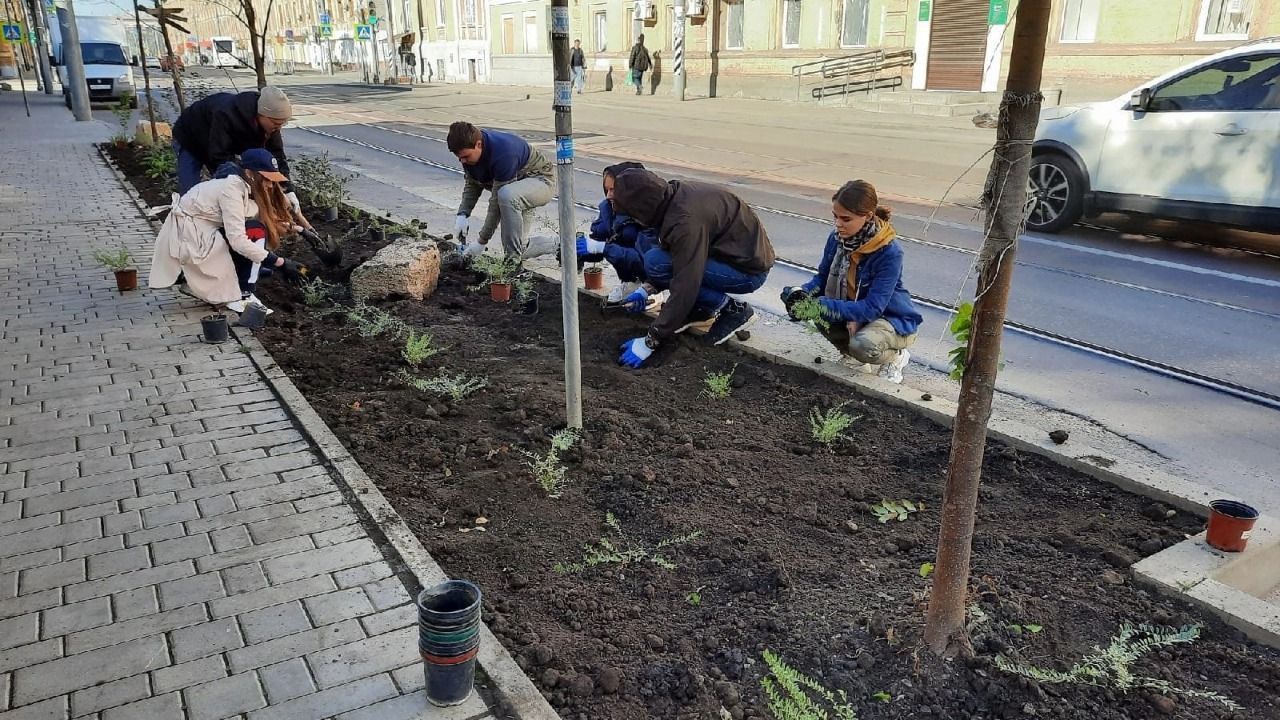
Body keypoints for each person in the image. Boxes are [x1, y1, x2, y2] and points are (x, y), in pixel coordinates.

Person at [610, 169, 775, 368]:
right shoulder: (670, 198)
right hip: (727, 255)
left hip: (747, 271)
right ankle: (701, 310)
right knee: (657, 261)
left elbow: (686, 282)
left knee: (659, 263)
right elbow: (678, 255)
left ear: (642, 207)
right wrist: (646, 289)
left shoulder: (685, 221)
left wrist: (651, 340)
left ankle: (734, 310)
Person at [781, 180, 923, 384]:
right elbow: (822, 279)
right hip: (855, 310)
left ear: (868, 216)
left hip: (890, 319)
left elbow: (873, 308)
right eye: (835, 216)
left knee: (862, 345)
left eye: (846, 218)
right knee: (814, 308)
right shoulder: (836, 239)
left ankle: (896, 357)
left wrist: (821, 305)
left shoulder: (889, 251)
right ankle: (853, 357)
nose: (838, 224)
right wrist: (800, 293)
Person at [149, 149, 309, 313]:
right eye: (266, 179)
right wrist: (280, 263)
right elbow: (238, 241)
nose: (270, 185)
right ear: (250, 173)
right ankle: (242, 295)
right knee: (255, 232)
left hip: (200, 231)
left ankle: (195, 279)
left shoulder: (239, 184)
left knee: (255, 237)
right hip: (191, 239)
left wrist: (298, 229)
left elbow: (249, 213)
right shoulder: (231, 190)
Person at [170, 86, 312, 235]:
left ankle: (226, 225)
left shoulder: (271, 126)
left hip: (218, 143)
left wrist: (288, 190)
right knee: (191, 193)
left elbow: (276, 158)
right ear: (262, 115)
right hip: (191, 139)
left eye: (282, 124)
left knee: (239, 186)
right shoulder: (226, 114)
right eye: (276, 124)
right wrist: (243, 184)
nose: (279, 128)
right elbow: (219, 157)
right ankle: (187, 231)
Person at [448, 121, 557, 261]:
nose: (462, 161)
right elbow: (473, 183)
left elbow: (496, 204)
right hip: (516, 188)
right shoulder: (469, 152)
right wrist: (463, 214)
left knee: (506, 196)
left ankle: (512, 263)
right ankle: (565, 245)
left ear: (478, 144)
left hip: (540, 180)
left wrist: (481, 241)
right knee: (520, 248)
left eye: (466, 156)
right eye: (459, 158)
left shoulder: (503, 154)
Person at [576, 161, 658, 305]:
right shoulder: (608, 209)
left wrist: (604, 248)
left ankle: (651, 290)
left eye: (613, 190)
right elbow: (599, 240)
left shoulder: (650, 214)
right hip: (631, 269)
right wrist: (581, 251)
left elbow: (646, 260)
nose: (608, 196)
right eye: (606, 189)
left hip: (653, 273)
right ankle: (631, 283)